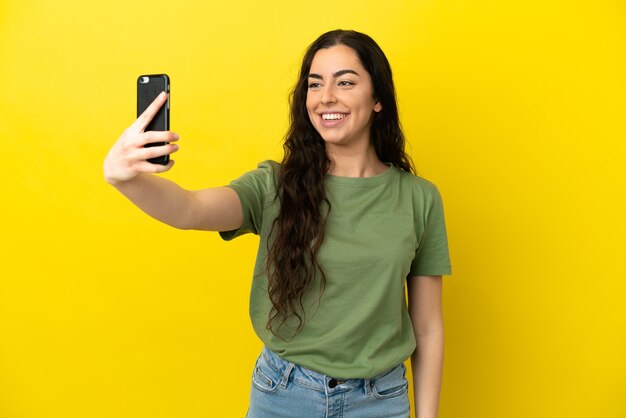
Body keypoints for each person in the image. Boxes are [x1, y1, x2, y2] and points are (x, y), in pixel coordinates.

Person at [104, 29, 451, 418]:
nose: (326, 97)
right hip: (284, 396)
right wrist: (126, 179)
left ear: (378, 100)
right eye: (315, 84)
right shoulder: (274, 185)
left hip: (379, 401)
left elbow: (428, 328)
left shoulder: (419, 198)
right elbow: (190, 209)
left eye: (346, 82)